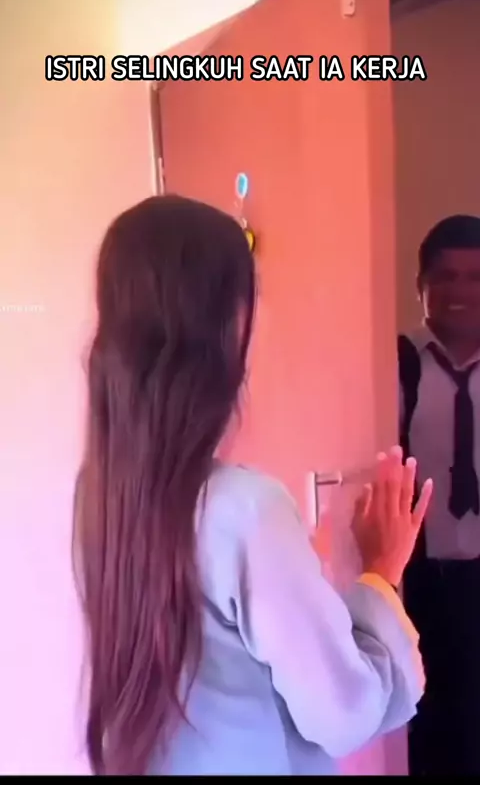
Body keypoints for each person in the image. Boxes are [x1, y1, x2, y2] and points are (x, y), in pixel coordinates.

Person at [73, 195, 432, 776]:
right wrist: (381, 572)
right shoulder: (245, 511)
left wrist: (296, 571)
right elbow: (344, 714)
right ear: (226, 324)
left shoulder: (99, 497)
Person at [399, 214, 480, 775]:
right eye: (446, 276)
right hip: (422, 584)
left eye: (475, 277)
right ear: (421, 285)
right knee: (428, 729)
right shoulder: (397, 364)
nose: (460, 290)